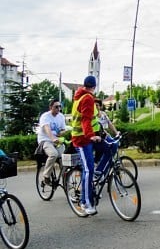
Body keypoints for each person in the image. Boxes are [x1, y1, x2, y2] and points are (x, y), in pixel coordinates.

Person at [69, 75, 101, 216]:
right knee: (88, 170)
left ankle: (97, 175)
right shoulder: (87, 98)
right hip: (82, 139)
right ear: (94, 86)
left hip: (85, 137)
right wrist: (91, 135)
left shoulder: (80, 96)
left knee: (107, 149)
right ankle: (85, 202)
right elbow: (85, 120)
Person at [36, 99, 67, 186]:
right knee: (53, 154)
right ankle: (46, 176)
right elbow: (47, 129)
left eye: (60, 106)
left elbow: (63, 129)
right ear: (51, 107)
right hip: (45, 140)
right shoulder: (45, 116)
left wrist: (62, 133)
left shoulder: (61, 116)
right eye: (56, 107)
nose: (58, 108)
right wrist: (53, 138)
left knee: (65, 157)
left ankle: (66, 177)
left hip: (57, 140)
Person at [92, 98, 119, 177]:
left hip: (105, 136)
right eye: (94, 105)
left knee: (115, 145)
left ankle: (104, 171)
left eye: (97, 105)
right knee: (111, 149)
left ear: (100, 106)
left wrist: (116, 133)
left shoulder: (103, 114)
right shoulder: (93, 116)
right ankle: (100, 171)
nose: (95, 107)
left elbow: (110, 124)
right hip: (98, 138)